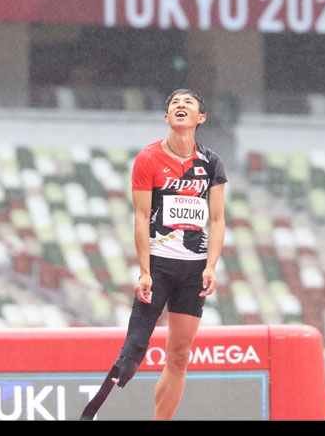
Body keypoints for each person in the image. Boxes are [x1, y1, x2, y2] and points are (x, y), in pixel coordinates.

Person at [80, 89, 227, 420]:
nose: (180, 105)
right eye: (175, 102)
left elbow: (216, 219)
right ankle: (90, 413)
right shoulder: (148, 159)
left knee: (179, 355)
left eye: (188, 103)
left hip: (194, 271)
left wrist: (211, 266)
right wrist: (145, 272)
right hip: (159, 267)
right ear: (166, 118)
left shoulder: (212, 162)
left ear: (200, 119)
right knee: (133, 352)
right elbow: (141, 218)